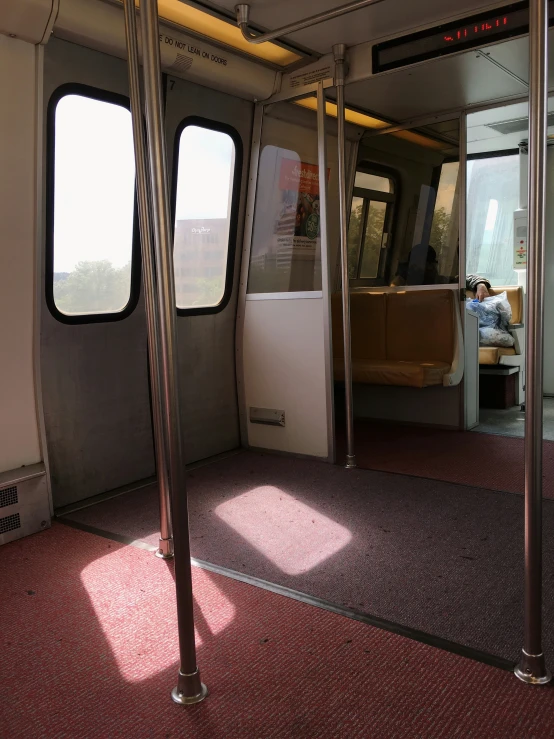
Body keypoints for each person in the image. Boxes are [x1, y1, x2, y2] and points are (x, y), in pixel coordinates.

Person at [391, 243, 490, 301]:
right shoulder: (403, 283)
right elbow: (392, 295)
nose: (415, 269)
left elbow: (465, 278)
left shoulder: (440, 281)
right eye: (414, 265)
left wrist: (480, 285)